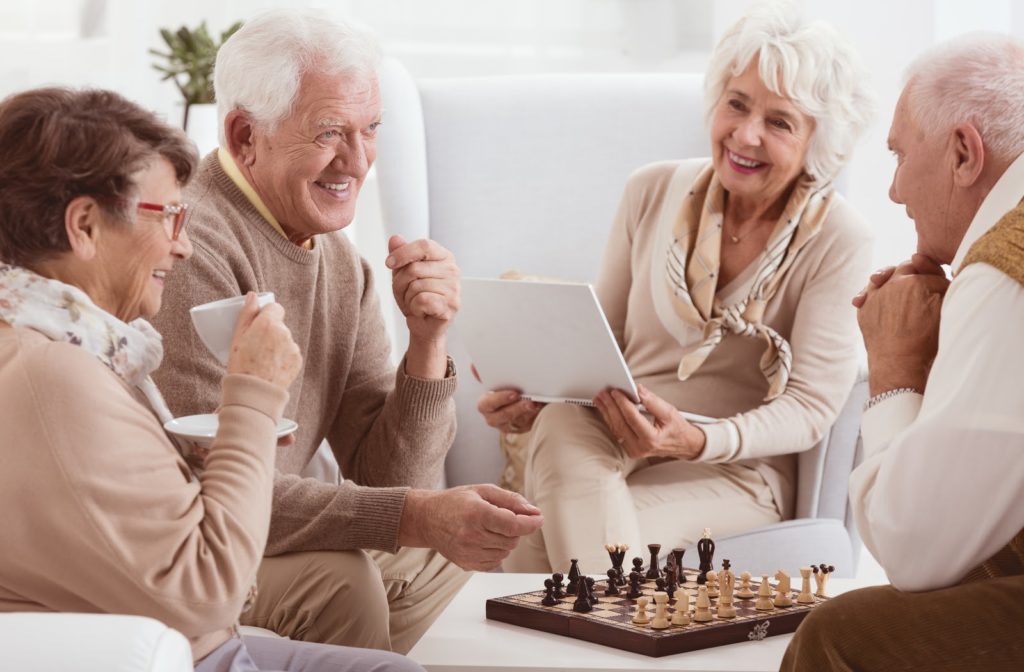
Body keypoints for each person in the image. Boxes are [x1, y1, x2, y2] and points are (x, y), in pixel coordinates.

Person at [150, 8, 543, 655]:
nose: (358, 162)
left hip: (254, 530)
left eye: (371, 130)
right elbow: (214, 492)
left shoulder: (340, 263)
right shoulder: (190, 246)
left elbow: (388, 471)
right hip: (191, 545)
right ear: (245, 134)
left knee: (458, 556)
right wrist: (416, 515)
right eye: (331, 132)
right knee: (344, 582)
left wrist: (426, 343)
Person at [0, 87, 423, 672]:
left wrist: (427, 344)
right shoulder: (57, 374)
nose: (184, 245)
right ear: (86, 226)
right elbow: (210, 591)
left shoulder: (64, 347)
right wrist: (252, 397)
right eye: (170, 216)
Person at [491, 3, 875, 573]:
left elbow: (811, 408)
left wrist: (696, 442)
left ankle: (582, 642)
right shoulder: (649, 191)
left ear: (819, 142)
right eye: (737, 104)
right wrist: (533, 394)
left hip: (735, 473)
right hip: (614, 443)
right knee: (563, 423)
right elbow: (604, 345)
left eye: (779, 122)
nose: (745, 136)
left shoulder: (838, 237)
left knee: (551, 539)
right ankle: (616, 642)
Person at [782, 33, 1024, 671]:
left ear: (965, 153)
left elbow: (917, 551)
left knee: (842, 632)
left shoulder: (1004, 270)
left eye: (898, 155)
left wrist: (894, 371)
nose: (893, 191)